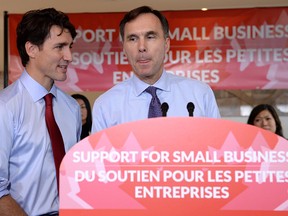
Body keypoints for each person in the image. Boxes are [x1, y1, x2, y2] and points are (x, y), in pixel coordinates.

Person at [0, 8, 82, 215]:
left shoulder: (71, 108)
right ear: (32, 49)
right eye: (60, 47)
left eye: (70, 46)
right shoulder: (5, 108)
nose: (69, 56)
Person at [92, 5, 220, 132]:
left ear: (166, 44)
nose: (141, 47)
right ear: (124, 49)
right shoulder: (105, 105)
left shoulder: (199, 94)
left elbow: (217, 147)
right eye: (133, 39)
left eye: (150, 37)